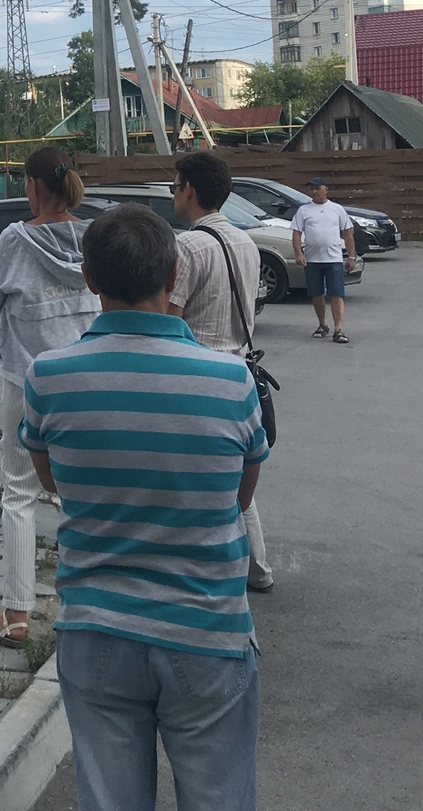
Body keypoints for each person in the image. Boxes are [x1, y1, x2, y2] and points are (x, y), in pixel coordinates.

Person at [22, 203, 268, 809]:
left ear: (90, 279)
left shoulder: (48, 376)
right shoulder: (230, 380)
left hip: (94, 628)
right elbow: (239, 496)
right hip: (207, 631)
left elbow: (52, 481)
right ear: (173, 273)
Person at [0, 147, 95, 648]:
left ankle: (16, 615)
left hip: (28, 379)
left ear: (32, 185)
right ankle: (83, 608)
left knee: (20, 494)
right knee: (81, 495)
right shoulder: (91, 235)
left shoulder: (17, 238)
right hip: (87, 377)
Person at [170, 151, 277, 592]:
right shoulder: (245, 241)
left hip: (196, 375)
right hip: (239, 373)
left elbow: (169, 317)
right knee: (238, 476)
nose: (173, 194)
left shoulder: (187, 245)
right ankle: (258, 569)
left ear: (189, 190)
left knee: (193, 481)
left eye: (175, 186)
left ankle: (196, 570)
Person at [291, 176, 359, 342]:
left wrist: (351, 256)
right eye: (311, 189)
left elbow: (348, 234)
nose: (314, 192)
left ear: (325, 190)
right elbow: (297, 233)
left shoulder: (337, 209)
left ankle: (338, 329)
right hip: (313, 260)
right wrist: (299, 253)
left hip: (334, 259)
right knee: (317, 293)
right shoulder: (303, 210)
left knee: (336, 294)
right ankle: (322, 324)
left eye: (317, 188)